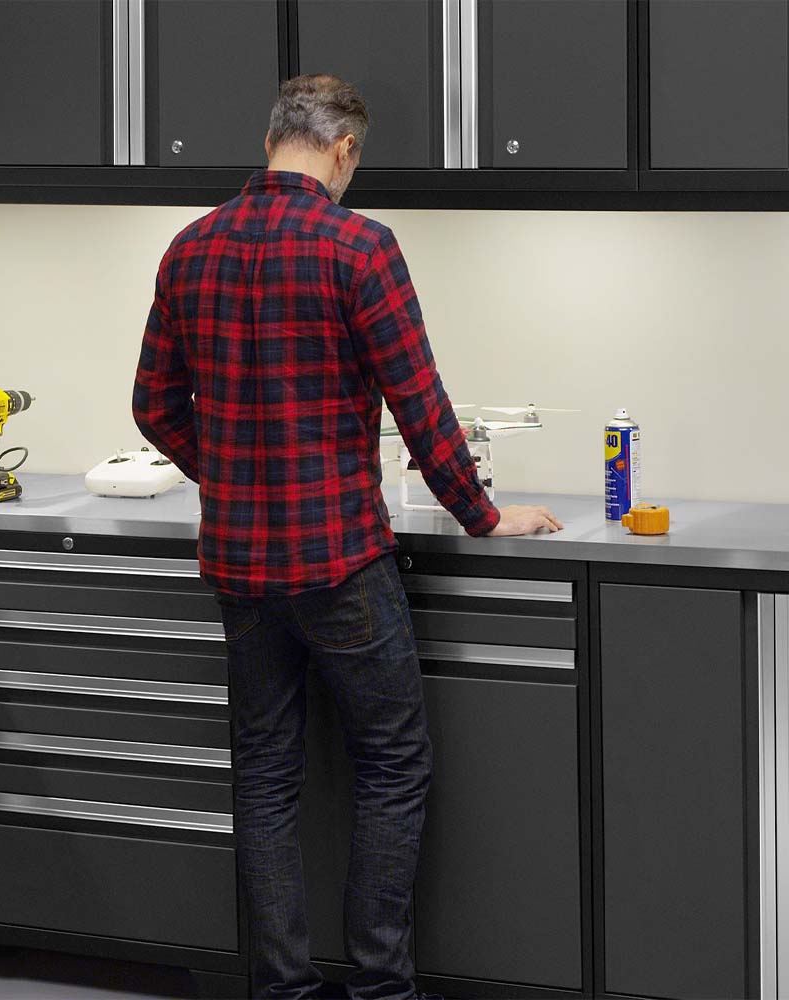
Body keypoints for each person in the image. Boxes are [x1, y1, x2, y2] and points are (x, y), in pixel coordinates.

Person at [133, 73, 563, 1000]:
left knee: (266, 773)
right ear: (342, 152)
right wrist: (484, 514)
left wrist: (231, 476)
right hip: (339, 564)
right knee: (392, 760)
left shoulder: (190, 247)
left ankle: (284, 989)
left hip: (241, 570)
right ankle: (379, 989)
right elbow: (421, 405)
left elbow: (153, 406)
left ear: (273, 141)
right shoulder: (359, 246)